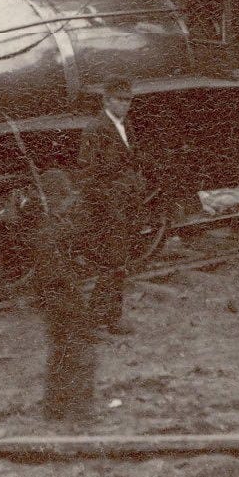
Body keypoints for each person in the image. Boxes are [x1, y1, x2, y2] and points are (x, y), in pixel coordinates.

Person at [21, 168, 95, 424]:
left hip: (56, 297)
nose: (70, 204)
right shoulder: (49, 234)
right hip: (62, 298)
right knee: (78, 353)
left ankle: (56, 408)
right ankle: (78, 411)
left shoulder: (48, 228)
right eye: (65, 200)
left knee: (60, 353)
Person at [76, 78, 146, 335]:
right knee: (114, 263)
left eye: (128, 100)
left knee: (118, 264)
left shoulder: (124, 125)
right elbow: (89, 173)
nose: (125, 105)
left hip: (126, 204)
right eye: (120, 100)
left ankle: (104, 318)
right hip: (109, 208)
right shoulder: (95, 129)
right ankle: (102, 318)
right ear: (106, 101)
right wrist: (107, 207)